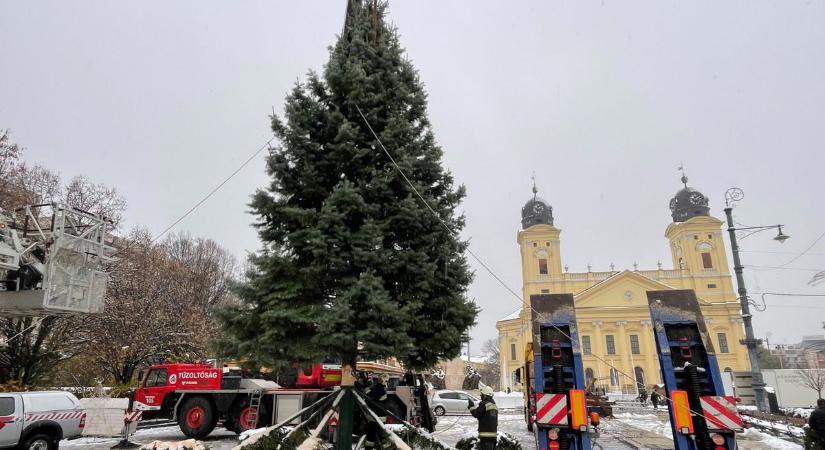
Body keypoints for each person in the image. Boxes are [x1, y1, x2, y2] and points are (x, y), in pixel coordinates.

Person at [468, 385, 498, 450]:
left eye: (481, 394)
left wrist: (471, 406)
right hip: (493, 435)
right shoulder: (494, 405)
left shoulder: (484, 404)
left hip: (485, 436)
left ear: (485, 395)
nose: (481, 396)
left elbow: (476, 414)